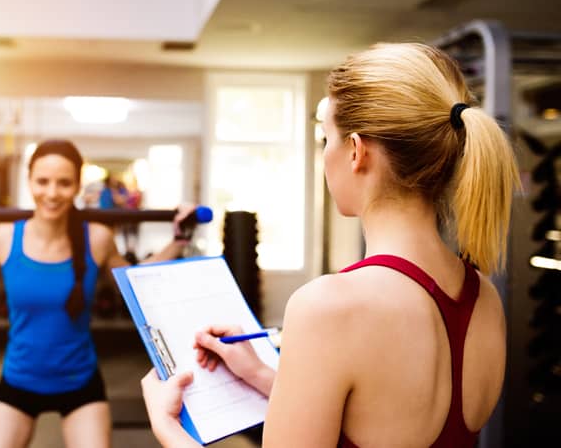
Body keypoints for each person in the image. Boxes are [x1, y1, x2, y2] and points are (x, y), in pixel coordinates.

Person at [141, 42, 519, 447]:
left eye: (326, 140)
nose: (326, 156)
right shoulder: (483, 297)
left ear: (356, 151)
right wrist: (259, 375)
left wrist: (169, 429)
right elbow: (376, 417)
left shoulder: (329, 306)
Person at [0, 139, 193, 448]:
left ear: (78, 186)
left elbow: (135, 283)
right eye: (43, 181)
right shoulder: (3, 236)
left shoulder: (97, 238)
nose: (52, 193)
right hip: (19, 380)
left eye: (64, 183)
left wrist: (178, 239)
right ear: (29, 182)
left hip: (80, 383)